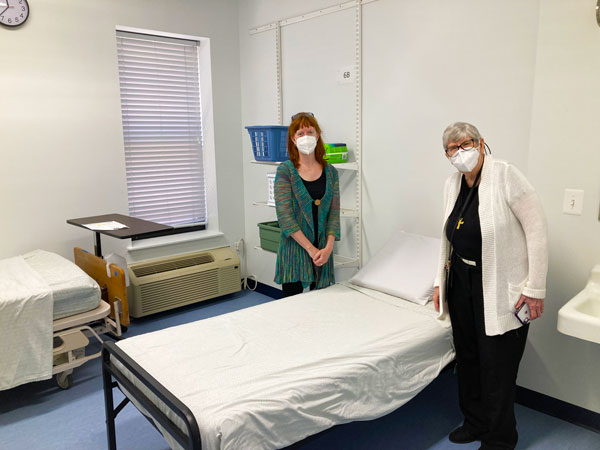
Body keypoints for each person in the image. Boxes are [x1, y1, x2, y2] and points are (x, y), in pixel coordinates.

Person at [433, 122, 548, 450]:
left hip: (500, 286)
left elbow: (537, 231)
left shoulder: (506, 175)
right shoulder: (452, 183)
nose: (459, 153)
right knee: (468, 358)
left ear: (481, 143)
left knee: (497, 365)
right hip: (461, 282)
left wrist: (534, 288)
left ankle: (500, 439)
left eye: (465, 144)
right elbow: (447, 237)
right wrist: (439, 282)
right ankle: (475, 422)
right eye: (452, 149)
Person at [274, 112, 340, 297]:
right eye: (300, 134)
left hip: (323, 250)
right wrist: (311, 250)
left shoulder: (331, 172)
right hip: (295, 250)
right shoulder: (285, 171)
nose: (305, 137)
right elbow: (285, 217)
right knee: (292, 308)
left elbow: (334, 215)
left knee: (321, 305)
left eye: (309, 132)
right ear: (293, 140)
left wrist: (327, 248)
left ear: (317, 135)